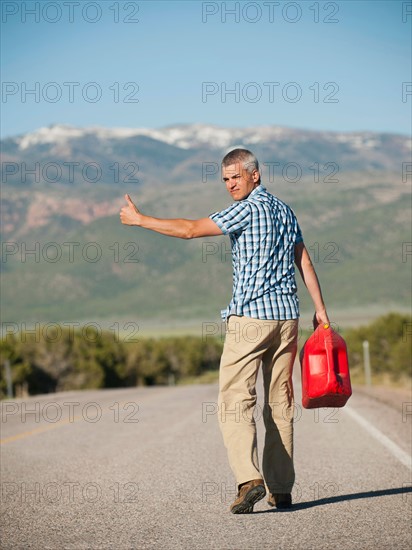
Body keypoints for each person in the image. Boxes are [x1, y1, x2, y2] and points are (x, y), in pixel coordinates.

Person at [120, 148, 329, 514]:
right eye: (226, 179)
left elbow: (188, 231)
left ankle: (250, 480)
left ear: (255, 175)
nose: (231, 184)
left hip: (251, 319)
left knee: (235, 400)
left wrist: (140, 220)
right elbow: (304, 261)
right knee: (279, 402)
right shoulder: (285, 210)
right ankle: (281, 489)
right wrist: (321, 311)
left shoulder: (247, 209)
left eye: (236, 176)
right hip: (288, 319)